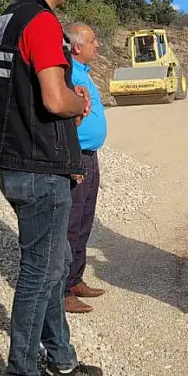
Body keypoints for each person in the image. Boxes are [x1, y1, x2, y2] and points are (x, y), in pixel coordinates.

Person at [0, 0, 103, 376]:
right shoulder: (43, 22)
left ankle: (61, 361)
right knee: (39, 274)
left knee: (52, 266)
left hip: (12, 159)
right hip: (38, 166)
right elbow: (54, 99)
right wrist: (80, 102)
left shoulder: (6, 19)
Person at [64, 22, 108, 315]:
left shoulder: (84, 73)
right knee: (70, 223)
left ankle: (76, 278)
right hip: (75, 155)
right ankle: (63, 290)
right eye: (93, 40)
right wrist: (70, 160)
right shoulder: (67, 73)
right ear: (77, 46)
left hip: (90, 155)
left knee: (84, 221)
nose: (98, 45)